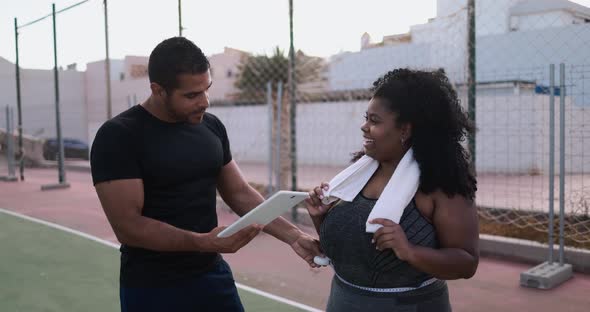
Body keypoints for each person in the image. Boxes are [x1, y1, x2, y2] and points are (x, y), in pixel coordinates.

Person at [90, 37, 321, 312]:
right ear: (158, 90)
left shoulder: (210, 126)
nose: (205, 102)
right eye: (191, 95)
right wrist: (201, 241)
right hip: (152, 287)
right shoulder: (119, 136)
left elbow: (239, 192)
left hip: (212, 277)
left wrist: (294, 236)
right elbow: (128, 226)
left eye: (206, 90)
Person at [306, 68, 479, 311]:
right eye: (366, 118)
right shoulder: (358, 174)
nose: (364, 127)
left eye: (374, 121)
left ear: (405, 130)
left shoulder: (440, 183)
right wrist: (320, 216)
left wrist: (409, 251)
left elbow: (467, 263)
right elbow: (348, 250)